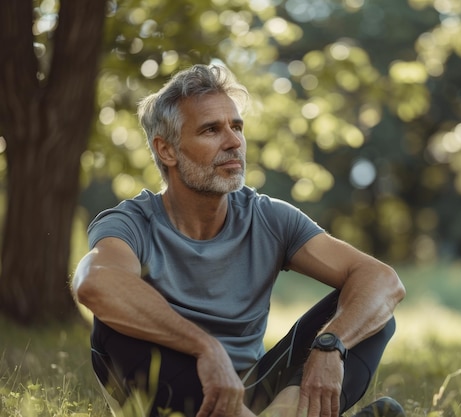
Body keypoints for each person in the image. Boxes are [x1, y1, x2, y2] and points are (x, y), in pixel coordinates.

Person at [72, 64, 406, 417]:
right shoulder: (130, 223)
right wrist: (205, 348)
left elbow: (383, 280)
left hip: (256, 396)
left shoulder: (269, 217)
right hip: (181, 396)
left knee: (367, 310)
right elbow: (95, 283)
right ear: (167, 150)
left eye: (237, 127)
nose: (233, 142)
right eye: (211, 130)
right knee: (114, 320)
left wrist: (330, 345)